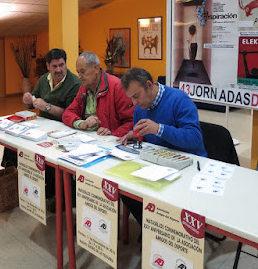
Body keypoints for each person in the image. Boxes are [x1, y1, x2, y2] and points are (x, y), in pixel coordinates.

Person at [119, 67, 206, 239]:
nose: (134, 103)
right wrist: (134, 134)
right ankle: (154, 228)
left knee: (163, 197)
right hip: (158, 164)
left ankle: (162, 231)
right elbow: (145, 135)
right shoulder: (140, 107)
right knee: (126, 190)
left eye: (136, 96)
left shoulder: (180, 100)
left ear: (149, 85)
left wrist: (159, 129)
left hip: (187, 166)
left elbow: (194, 138)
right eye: (130, 98)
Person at [2, 48, 81, 201]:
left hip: (62, 130)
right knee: (13, 144)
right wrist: (28, 100)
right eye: (54, 66)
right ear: (47, 66)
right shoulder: (44, 79)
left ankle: (61, 193)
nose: (58, 70)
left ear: (66, 64)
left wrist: (47, 107)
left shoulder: (74, 84)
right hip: (41, 127)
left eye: (61, 65)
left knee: (47, 155)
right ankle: (27, 181)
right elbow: (34, 100)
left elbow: (70, 115)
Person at [62, 51, 134, 137]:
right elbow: (68, 113)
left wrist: (113, 133)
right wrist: (82, 124)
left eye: (83, 71)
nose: (79, 76)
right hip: (91, 139)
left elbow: (131, 121)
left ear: (96, 68)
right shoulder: (83, 88)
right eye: (78, 72)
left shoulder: (117, 87)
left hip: (111, 142)